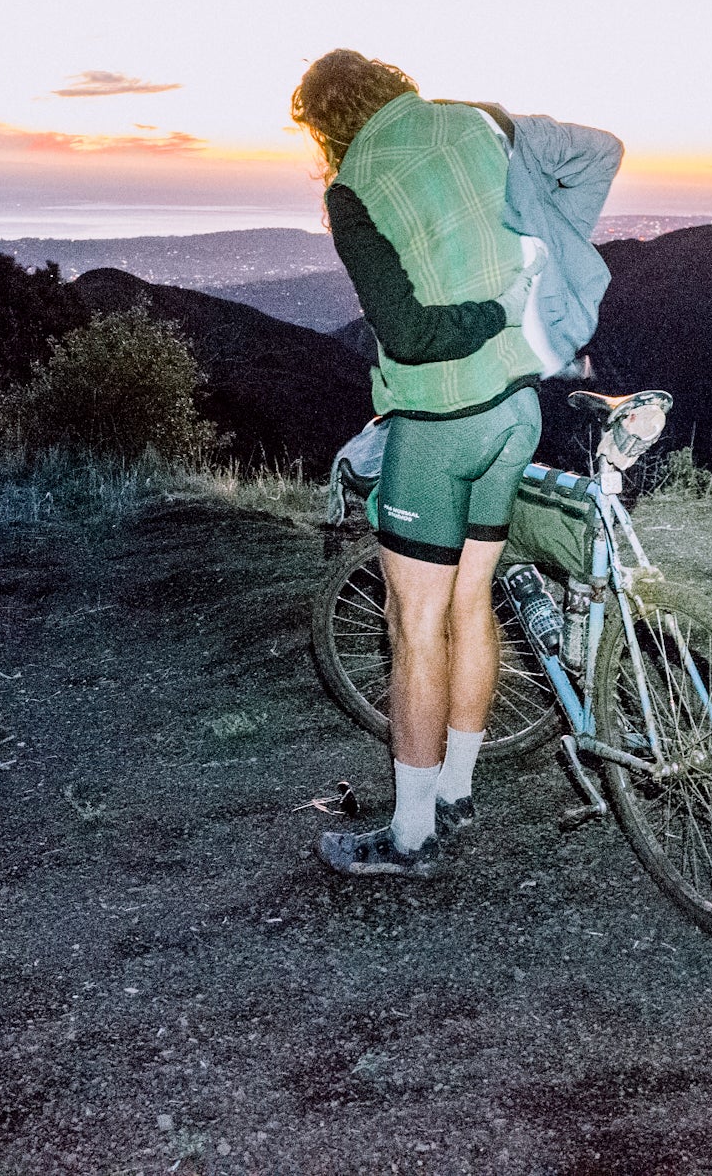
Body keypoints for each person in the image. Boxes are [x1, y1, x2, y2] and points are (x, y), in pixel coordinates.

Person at [291, 49, 571, 878]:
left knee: (415, 625)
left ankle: (411, 838)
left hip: (444, 421)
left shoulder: (352, 190)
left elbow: (408, 335)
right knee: (472, 600)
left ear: (324, 124)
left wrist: (489, 309)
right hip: (521, 406)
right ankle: (456, 789)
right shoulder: (472, 124)